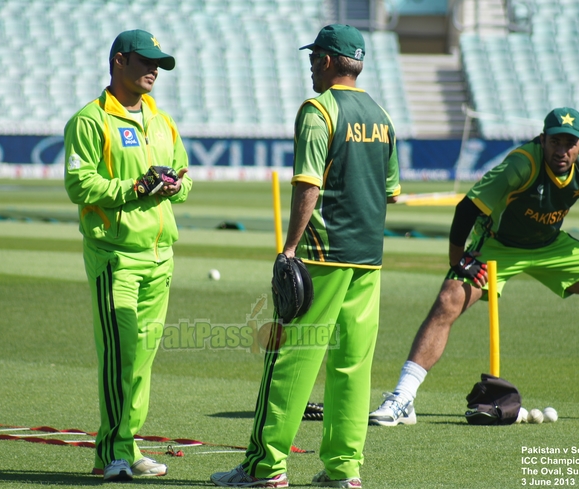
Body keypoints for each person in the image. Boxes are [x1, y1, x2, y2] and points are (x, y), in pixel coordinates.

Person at [369, 107, 579, 427]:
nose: (562, 150)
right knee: (448, 301)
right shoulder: (521, 164)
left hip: (550, 246)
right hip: (497, 245)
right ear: (542, 140)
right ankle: (402, 399)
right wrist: (458, 259)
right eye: (555, 142)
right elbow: (467, 207)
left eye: (570, 143)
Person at [210, 24, 401, 488]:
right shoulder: (381, 116)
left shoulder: (319, 110)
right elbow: (391, 193)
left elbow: (309, 185)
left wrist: (289, 249)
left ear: (331, 61)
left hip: (320, 256)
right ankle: (343, 472)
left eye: (315, 57)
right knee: (352, 368)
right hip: (368, 260)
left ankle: (265, 469)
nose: (311, 65)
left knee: (289, 362)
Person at [64, 29, 192, 481]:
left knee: (140, 360)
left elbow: (185, 176)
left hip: (160, 258)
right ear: (119, 61)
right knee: (119, 356)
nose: (154, 70)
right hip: (115, 257)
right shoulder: (90, 121)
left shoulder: (161, 120)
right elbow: (79, 186)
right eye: (145, 61)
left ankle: (121, 449)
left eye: (159, 63)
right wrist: (134, 187)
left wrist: (175, 185)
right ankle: (116, 452)